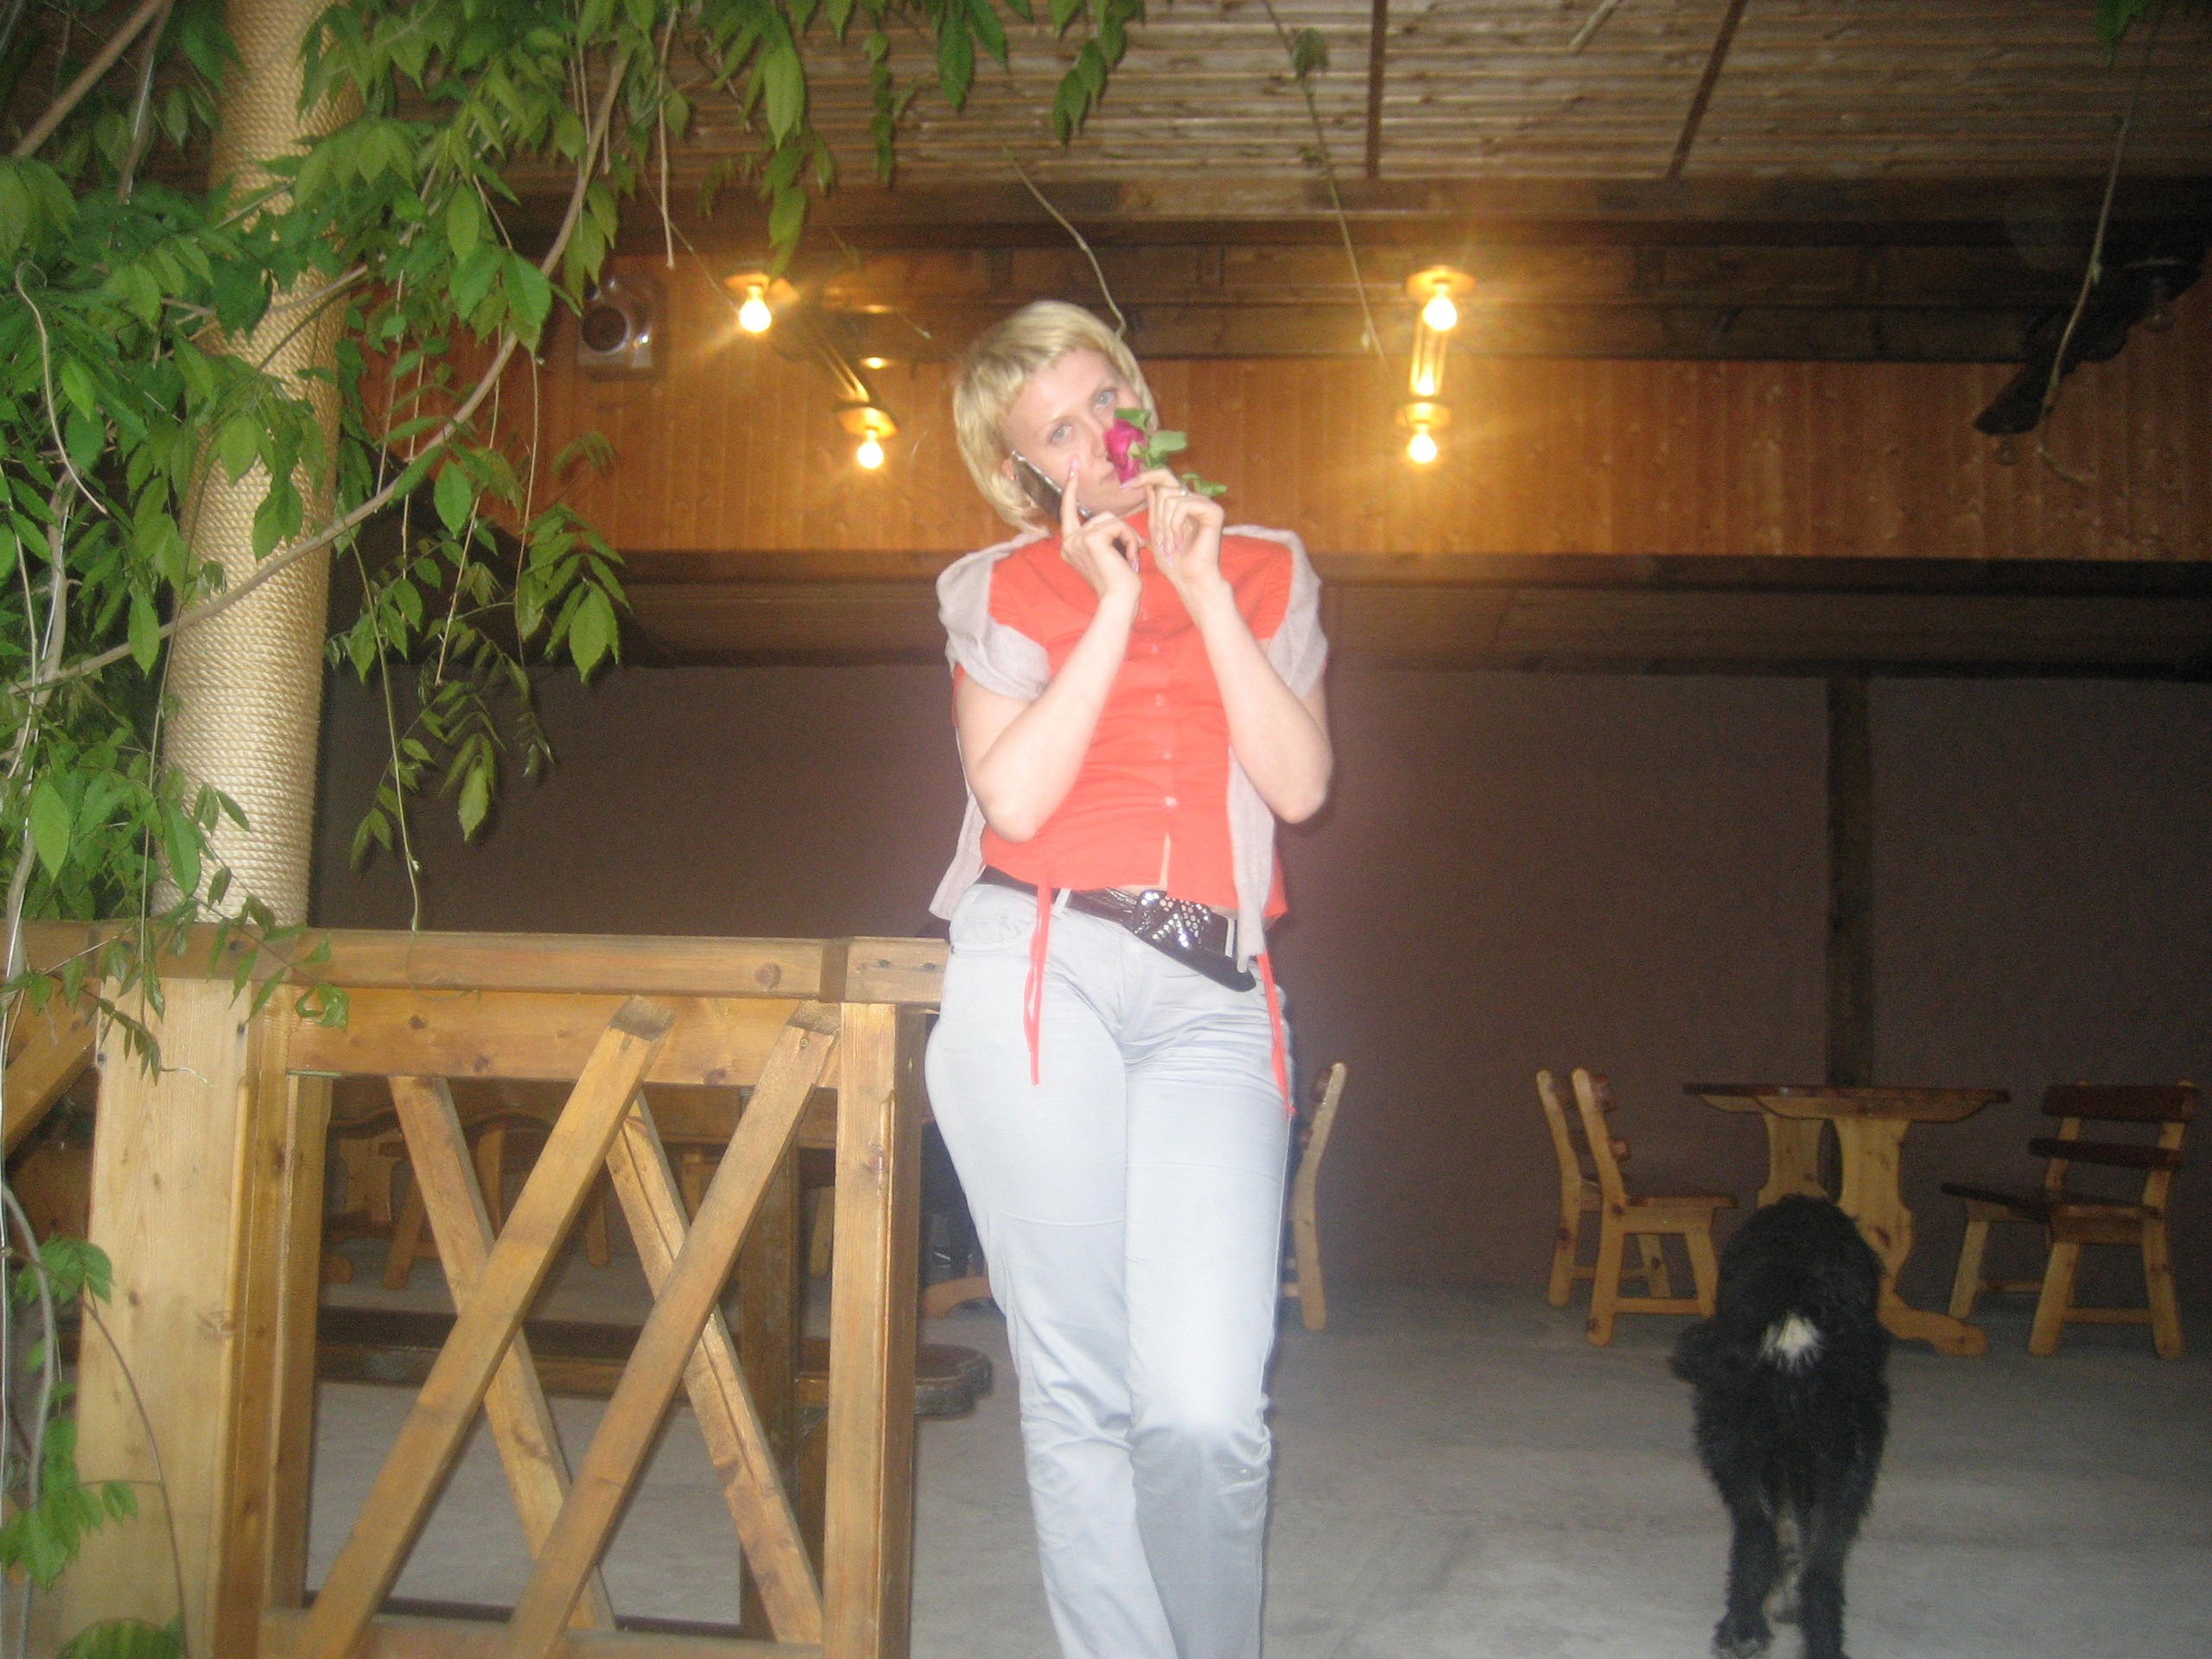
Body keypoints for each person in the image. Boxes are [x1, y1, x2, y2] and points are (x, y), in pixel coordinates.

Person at [924, 300, 1332, 1659]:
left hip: (1215, 996)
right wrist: (1108, 606)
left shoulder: (1267, 567)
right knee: (1079, 1382)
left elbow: (1301, 785)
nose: (1096, 437)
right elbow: (1015, 801)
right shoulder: (996, 587)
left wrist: (1198, 590)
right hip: (1042, 967)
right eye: (1055, 431)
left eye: (1106, 401)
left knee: (1208, 1407)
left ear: (1143, 401)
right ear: (1020, 469)